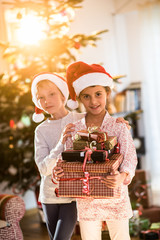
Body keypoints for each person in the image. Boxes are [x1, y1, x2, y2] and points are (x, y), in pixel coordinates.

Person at [53, 61, 138, 240]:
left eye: (98, 94)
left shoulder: (118, 126)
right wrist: (59, 171)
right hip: (86, 198)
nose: (93, 101)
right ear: (79, 99)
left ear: (107, 92)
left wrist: (122, 177)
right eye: (86, 96)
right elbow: (67, 161)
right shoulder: (74, 129)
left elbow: (130, 158)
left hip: (115, 196)